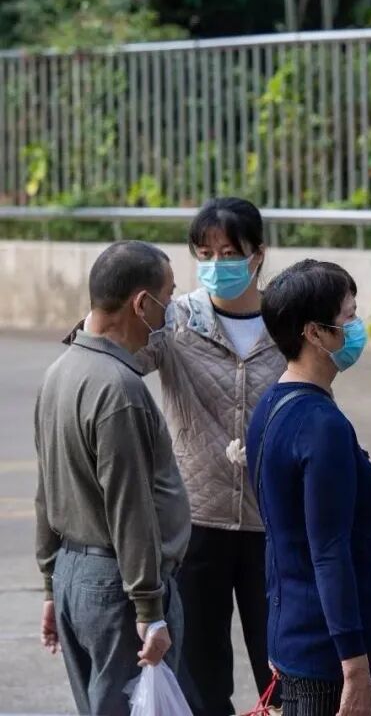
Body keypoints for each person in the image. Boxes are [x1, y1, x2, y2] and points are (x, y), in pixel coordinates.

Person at [74, 197, 286, 715]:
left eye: (229, 253)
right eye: (205, 253)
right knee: (201, 680)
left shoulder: (287, 322)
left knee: (284, 671)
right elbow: (112, 353)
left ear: (258, 255)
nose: (216, 264)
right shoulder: (177, 321)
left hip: (274, 524)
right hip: (196, 526)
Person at [35, 240, 191, 715]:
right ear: (142, 304)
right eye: (168, 297)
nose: (169, 311)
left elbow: (46, 492)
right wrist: (150, 610)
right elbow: (131, 508)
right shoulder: (119, 389)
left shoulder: (60, 372)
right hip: (118, 588)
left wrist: (52, 585)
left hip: (75, 575)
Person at [247, 260, 371, 716]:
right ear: (314, 333)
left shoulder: (270, 406)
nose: (357, 327)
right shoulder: (321, 425)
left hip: (294, 635)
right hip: (324, 656)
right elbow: (328, 552)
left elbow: (281, 534)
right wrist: (355, 670)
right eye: (348, 316)